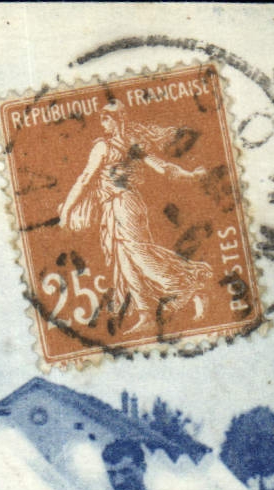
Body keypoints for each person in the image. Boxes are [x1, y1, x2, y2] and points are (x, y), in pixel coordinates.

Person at [58, 101, 215, 333]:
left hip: (124, 205)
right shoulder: (126, 144)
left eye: (107, 118)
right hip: (115, 207)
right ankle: (146, 314)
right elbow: (160, 166)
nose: (104, 124)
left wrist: (66, 211)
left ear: (118, 118)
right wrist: (190, 174)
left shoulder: (110, 146)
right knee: (125, 262)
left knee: (139, 254)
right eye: (102, 119)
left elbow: (85, 179)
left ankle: (184, 285)